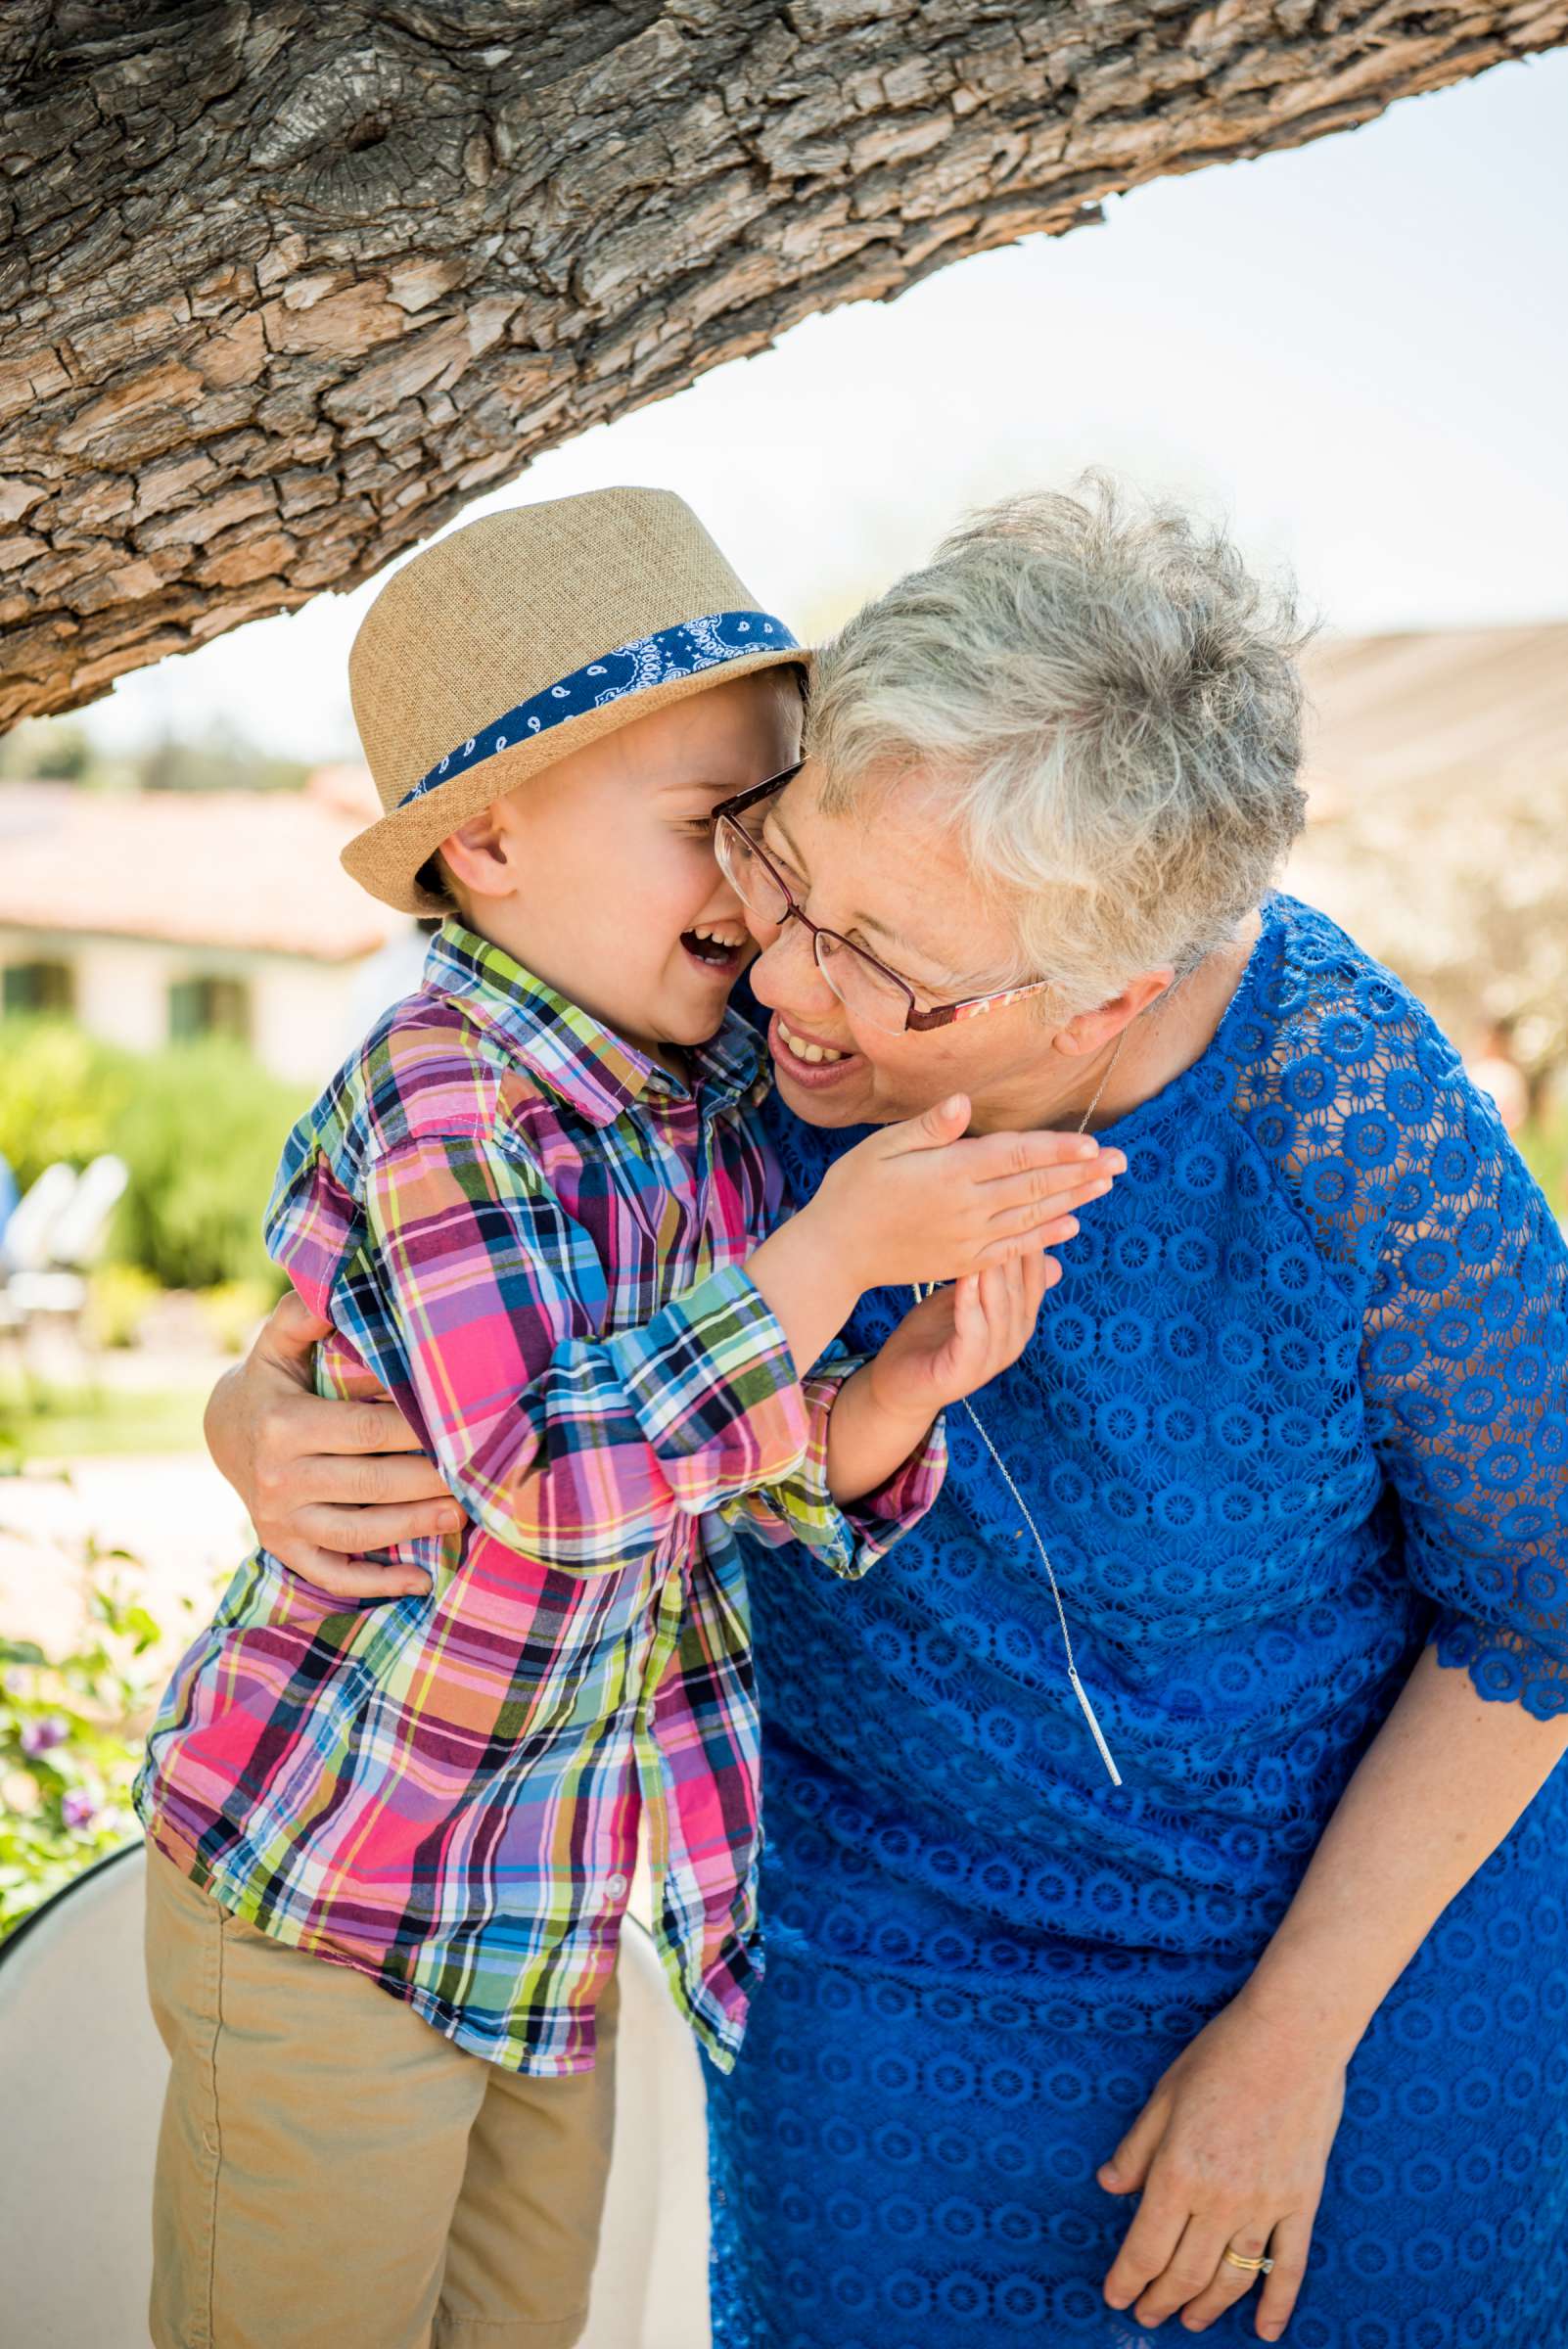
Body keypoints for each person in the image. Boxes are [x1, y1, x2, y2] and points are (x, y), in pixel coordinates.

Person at [208, 478, 1568, 2348]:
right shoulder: (700, 1020)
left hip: (1352, 1965)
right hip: (867, 1959)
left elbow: (1539, 1600)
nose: (785, 985)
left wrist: (1292, 2037)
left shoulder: (1338, 1107)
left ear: (1117, 989)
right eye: (788, 882)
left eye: (883, 967)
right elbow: (434, 1262)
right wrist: (253, 1405)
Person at [134, 487, 1121, 2349]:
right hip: (333, 1886)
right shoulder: (456, 1105)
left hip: (536, 1893)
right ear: (489, 845)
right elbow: (551, 1483)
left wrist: (892, 1391)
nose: (755, 897)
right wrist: (823, 1266)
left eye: (772, 832)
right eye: (705, 832)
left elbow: (720, 1472)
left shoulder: (699, 1088)